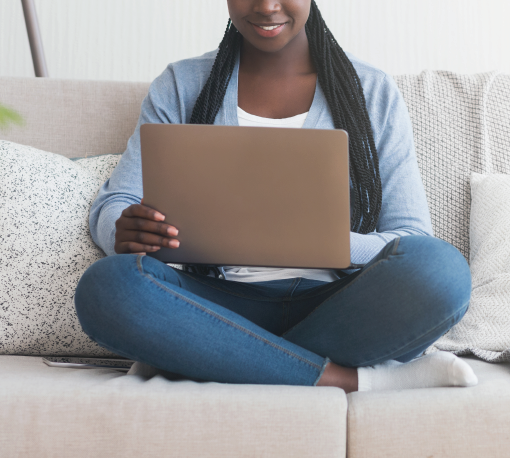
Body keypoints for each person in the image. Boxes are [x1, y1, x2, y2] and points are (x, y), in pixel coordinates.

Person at [75, 0, 476, 393]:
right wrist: (124, 229)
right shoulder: (182, 84)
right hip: (216, 302)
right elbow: (115, 202)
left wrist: (324, 243)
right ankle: (351, 380)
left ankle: (206, 355)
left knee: (442, 271)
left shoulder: (370, 89)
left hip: (338, 308)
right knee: (107, 287)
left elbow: (410, 236)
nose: (267, 6)